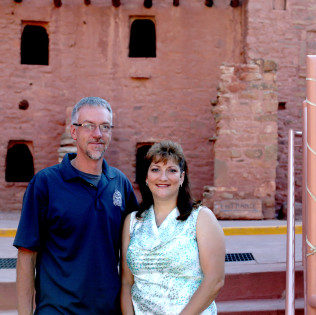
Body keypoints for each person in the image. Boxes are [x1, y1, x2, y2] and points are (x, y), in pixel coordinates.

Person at [13, 96, 139, 315]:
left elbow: (136, 251)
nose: (97, 134)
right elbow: (26, 255)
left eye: (105, 127)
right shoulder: (45, 184)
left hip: (108, 311)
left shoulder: (120, 184)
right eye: (88, 126)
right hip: (58, 311)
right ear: (74, 132)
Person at [120, 140, 225, 315]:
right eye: (155, 169)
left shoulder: (201, 218)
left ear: (182, 177)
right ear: (146, 177)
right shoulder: (132, 222)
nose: (163, 177)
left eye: (172, 170)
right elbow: (126, 283)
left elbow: (215, 280)